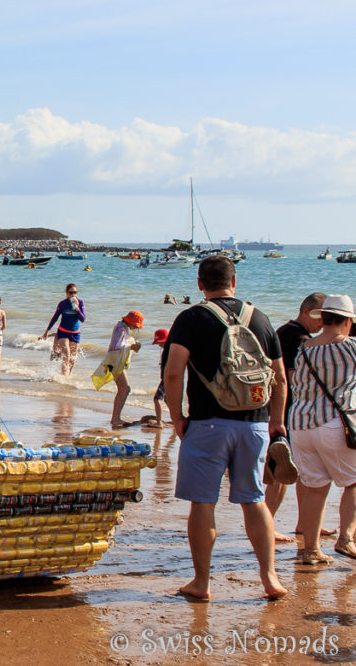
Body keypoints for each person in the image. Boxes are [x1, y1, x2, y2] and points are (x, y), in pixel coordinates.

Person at [163, 255, 287, 600]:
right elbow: (279, 377)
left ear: (200, 283)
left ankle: (201, 583)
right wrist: (276, 422)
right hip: (255, 425)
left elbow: (174, 371)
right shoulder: (259, 318)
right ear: (235, 281)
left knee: (203, 503)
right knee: (255, 501)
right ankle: (270, 578)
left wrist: (176, 417)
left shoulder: (191, 318)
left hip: (207, 424)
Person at [287, 294, 356, 564]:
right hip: (335, 423)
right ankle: (347, 538)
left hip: (301, 425)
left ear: (323, 318)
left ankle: (311, 549)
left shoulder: (304, 349)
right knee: (353, 482)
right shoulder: (351, 347)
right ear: (347, 322)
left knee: (315, 487)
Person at [266, 292, 327, 544]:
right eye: (320, 317)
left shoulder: (285, 331)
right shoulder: (299, 338)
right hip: (288, 412)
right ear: (307, 311)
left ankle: (305, 523)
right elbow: (294, 380)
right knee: (281, 473)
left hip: (283, 410)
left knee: (301, 471)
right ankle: (266, 524)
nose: (322, 324)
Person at [99, 310, 144, 427]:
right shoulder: (121, 329)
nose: (136, 328)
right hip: (114, 362)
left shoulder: (121, 327)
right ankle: (115, 418)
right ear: (133, 323)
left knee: (123, 389)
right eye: (137, 326)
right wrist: (132, 346)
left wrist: (130, 346)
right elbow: (116, 346)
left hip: (114, 361)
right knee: (125, 389)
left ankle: (116, 417)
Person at [41, 284, 85, 376]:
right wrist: (47, 331)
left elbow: (83, 319)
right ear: (66, 293)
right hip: (63, 332)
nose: (73, 295)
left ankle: (66, 376)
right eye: (71, 292)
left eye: (75, 292)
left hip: (75, 333)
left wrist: (77, 309)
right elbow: (55, 317)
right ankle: (64, 380)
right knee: (67, 355)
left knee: (72, 359)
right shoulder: (62, 304)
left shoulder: (80, 302)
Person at [149, 328, 170, 427]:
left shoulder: (168, 351)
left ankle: (159, 422)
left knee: (157, 399)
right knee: (168, 400)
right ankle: (174, 418)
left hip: (167, 379)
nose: (159, 344)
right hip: (170, 379)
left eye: (160, 342)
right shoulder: (170, 349)